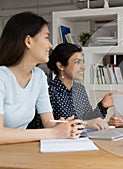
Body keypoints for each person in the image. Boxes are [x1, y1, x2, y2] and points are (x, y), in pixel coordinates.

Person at [0, 12, 84, 144]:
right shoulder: (2, 77)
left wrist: (61, 126)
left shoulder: (39, 77)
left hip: (15, 150)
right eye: (46, 37)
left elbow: (48, 122)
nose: (50, 45)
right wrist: (53, 133)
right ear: (28, 41)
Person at [35, 43, 113, 130]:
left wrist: (103, 105)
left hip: (80, 139)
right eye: (77, 62)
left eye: (83, 62)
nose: (83, 67)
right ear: (60, 66)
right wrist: (84, 124)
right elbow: (44, 126)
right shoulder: (49, 91)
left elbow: (88, 119)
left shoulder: (79, 89)